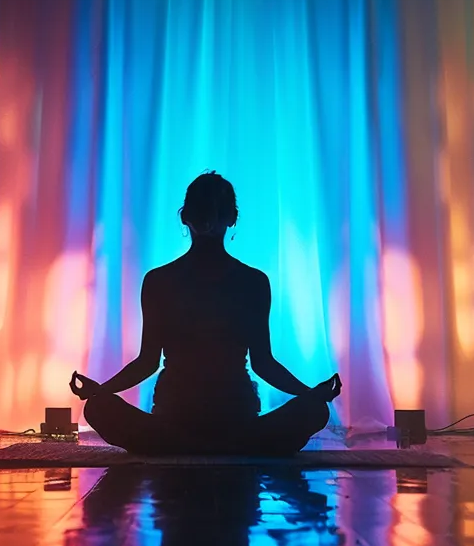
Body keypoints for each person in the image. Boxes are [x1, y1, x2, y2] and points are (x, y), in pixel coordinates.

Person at [69, 172, 341, 456]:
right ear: (233, 218)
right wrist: (311, 395)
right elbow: (264, 364)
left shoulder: (159, 281)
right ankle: (233, 446)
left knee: (98, 408)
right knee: (314, 411)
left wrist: (100, 392)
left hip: (175, 420)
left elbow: (147, 362)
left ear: (186, 217)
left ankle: (180, 445)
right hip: (235, 421)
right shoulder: (253, 282)